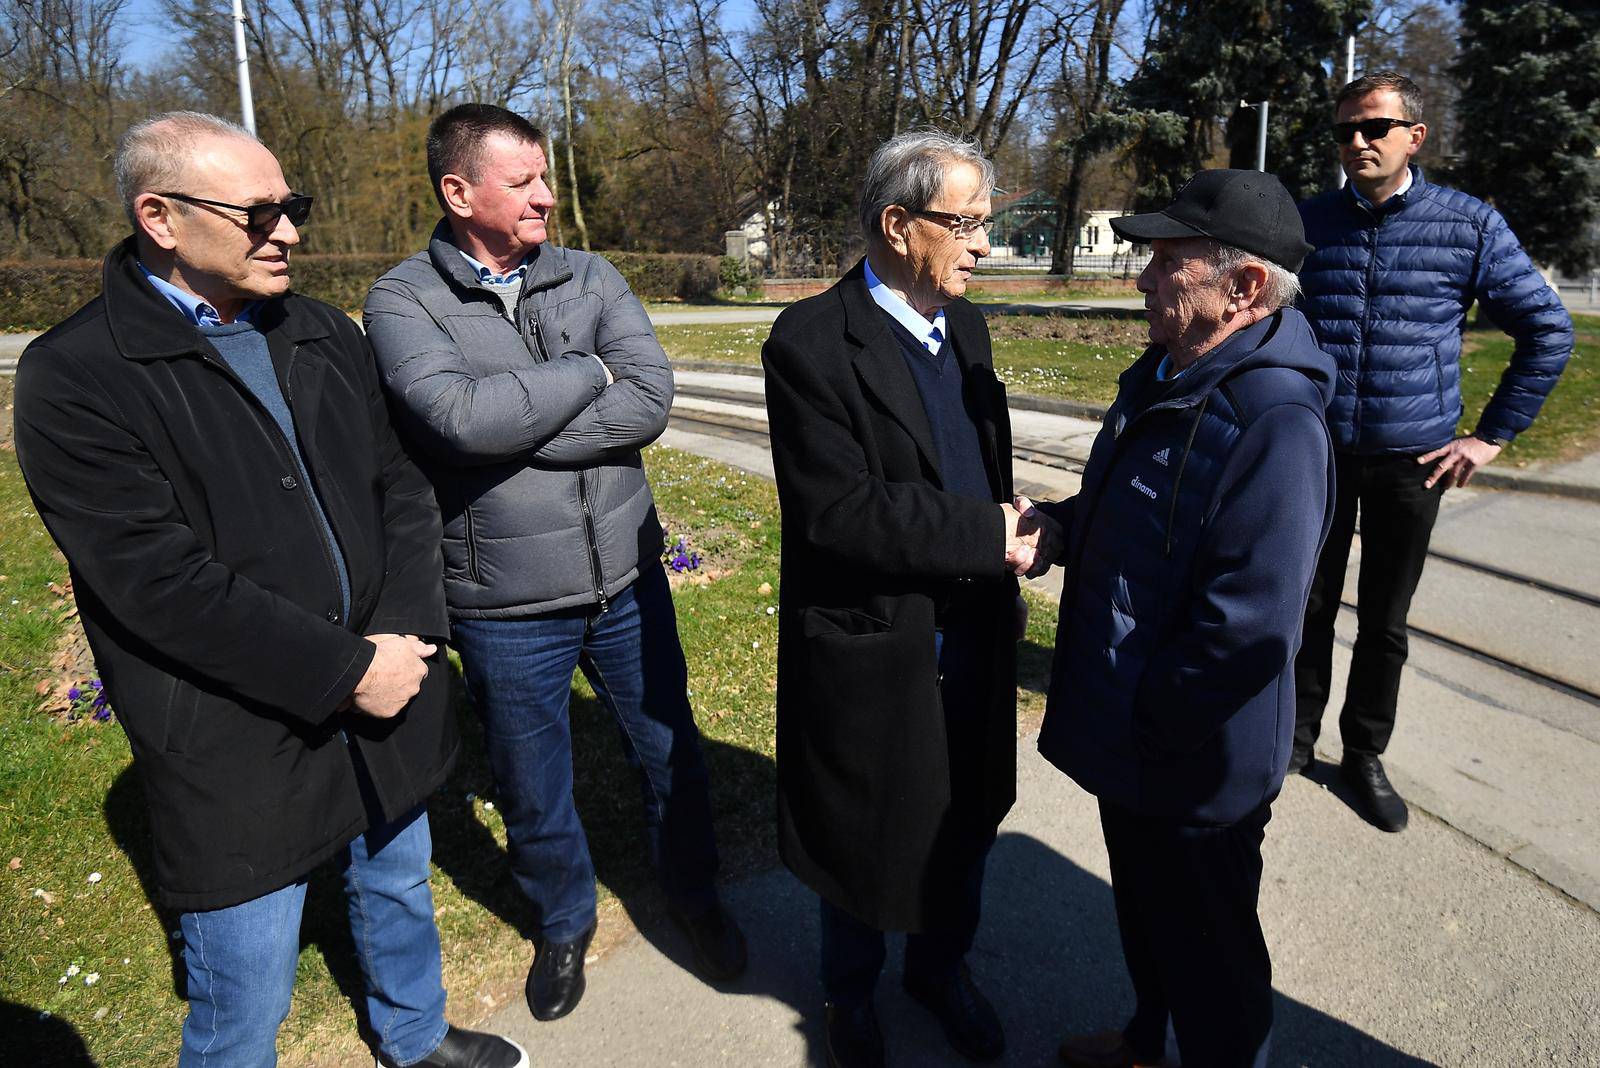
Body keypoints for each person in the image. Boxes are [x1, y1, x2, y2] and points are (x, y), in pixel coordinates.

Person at [13, 111, 524, 1068]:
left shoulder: (321, 330)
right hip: (231, 731)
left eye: (292, 207)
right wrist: (343, 672)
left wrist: (405, 637)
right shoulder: (75, 376)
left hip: (388, 677)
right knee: (246, 984)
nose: (288, 232)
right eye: (258, 214)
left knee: (398, 882)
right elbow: (158, 583)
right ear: (158, 217)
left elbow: (400, 486)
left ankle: (413, 1038)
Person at [363, 103, 745, 1023]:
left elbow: (649, 399)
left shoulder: (589, 273)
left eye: (546, 177)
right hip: (503, 599)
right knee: (532, 783)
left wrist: (510, 430)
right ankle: (564, 922)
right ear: (459, 192)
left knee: (670, 754)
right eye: (524, 180)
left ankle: (694, 895)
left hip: (625, 579)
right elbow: (454, 421)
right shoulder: (403, 298)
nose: (547, 197)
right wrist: (583, 376)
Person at [1035, 170, 1336, 1068]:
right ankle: (1143, 1044)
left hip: (1192, 757)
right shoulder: (1172, 369)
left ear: (1242, 289)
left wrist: (1155, 724)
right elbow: (1139, 510)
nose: (1141, 280)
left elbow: (1249, 625)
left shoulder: (1275, 419)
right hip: (1140, 742)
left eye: (1168, 262)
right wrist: (1062, 523)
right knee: (1147, 919)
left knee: (1211, 957)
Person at [762, 129, 1044, 1068]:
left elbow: (977, 464)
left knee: (966, 816)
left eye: (984, 226)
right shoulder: (809, 341)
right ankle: (851, 998)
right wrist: (991, 535)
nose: (983, 247)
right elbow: (837, 512)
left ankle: (939, 971)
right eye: (964, 225)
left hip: (972, 629)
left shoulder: (965, 327)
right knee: (865, 830)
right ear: (896, 223)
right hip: (878, 638)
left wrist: (1004, 551)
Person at [1294, 72, 1574, 832]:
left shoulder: (1470, 225)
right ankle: (1290, 740)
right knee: (1304, 603)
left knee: (1385, 617)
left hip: (1411, 460)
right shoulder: (1309, 222)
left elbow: (1549, 330)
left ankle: (1363, 756)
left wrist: (1490, 436)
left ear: (1415, 136)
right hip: (1315, 452)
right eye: (1346, 129)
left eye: (1375, 126)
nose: (1357, 141)